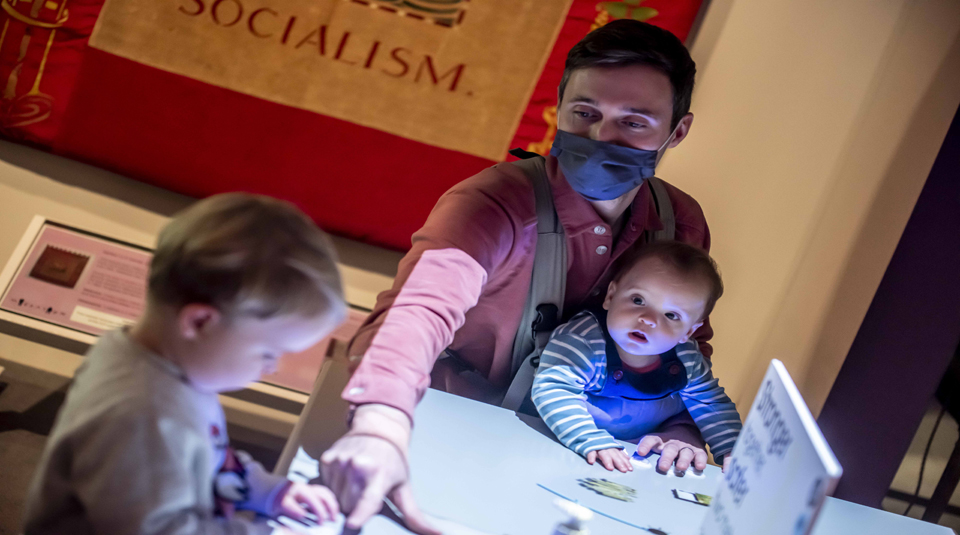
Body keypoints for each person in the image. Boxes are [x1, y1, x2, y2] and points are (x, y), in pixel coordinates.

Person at [322, 20, 712, 533]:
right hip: (457, 428)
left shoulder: (678, 223)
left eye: (633, 123)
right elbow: (418, 310)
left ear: (676, 131)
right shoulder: (493, 203)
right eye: (585, 113)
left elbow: (686, 346)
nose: (600, 136)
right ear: (559, 105)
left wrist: (682, 428)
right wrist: (380, 422)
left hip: (586, 458)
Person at [23, 194, 347, 535]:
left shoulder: (166, 367)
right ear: (200, 323)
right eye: (269, 352)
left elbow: (212, 457)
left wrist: (271, 492)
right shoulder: (142, 415)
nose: (272, 368)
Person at [532, 241, 741, 474]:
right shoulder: (583, 341)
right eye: (638, 300)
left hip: (636, 457)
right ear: (611, 295)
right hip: (567, 443)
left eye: (671, 315)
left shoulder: (686, 359)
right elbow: (553, 388)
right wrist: (590, 439)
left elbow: (711, 404)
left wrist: (733, 451)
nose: (648, 319)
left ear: (689, 332)